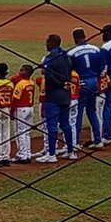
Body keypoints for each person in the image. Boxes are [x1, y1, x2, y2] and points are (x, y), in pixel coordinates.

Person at [38, 34, 75, 163]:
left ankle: (52, 154)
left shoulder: (50, 58)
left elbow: (49, 76)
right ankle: (71, 152)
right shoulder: (66, 57)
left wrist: (59, 83)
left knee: (52, 126)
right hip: (66, 95)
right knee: (66, 124)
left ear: (53, 43)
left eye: (47, 42)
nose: (46, 45)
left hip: (53, 95)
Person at [69, 28, 105, 148]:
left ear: (74, 38)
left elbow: (70, 70)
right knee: (92, 111)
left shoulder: (72, 52)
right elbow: (102, 66)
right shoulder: (96, 49)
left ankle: (77, 142)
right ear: (85, 36)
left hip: (82, 83)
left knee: (78, 112)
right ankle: (98, 140)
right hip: (94, 81)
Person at [10, 64, 38, 163]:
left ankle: (22, 155)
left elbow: (15, 99)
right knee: (26, 132)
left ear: (26, 72)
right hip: (30, 108)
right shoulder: (31, 82)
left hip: (21, 110)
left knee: (19, 132)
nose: (19, 72)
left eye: (21, 70)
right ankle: (27, 154)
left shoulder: (20, 84)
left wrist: (12, 112)